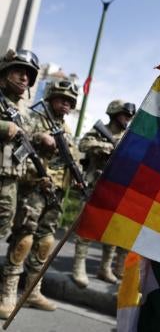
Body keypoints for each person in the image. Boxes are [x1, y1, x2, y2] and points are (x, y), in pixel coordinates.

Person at [0, 80, 79, 318]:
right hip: (33, 188)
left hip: (54, 193)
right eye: (61, 99)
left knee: (46, 241)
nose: (65, 104)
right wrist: (39, 137)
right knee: (24, 238)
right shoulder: (34, 117)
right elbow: (21, 138)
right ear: (51, 97)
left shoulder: (66, 129)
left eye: (69, 101)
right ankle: (8, 292)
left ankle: (33, 291)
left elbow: (72, 156)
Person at [72, 99, 136, 288]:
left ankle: (105, 267)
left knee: (114, 231)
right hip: (96, 186)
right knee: (87, 228)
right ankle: (78, 266)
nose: (127, 119)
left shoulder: (129, 137)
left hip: (118, 189)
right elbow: (83, 145)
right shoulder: (100, 132)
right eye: (124, 115)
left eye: (129, 116)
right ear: (115, 114)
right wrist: (109, 147)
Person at [0, 49, 39, 239]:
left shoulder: (24, 114)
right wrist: (3, 126)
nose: (24, 78)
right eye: (19, 72)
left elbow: (25, 148)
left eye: (29, 75)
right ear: (6, 72)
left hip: (11, 181)